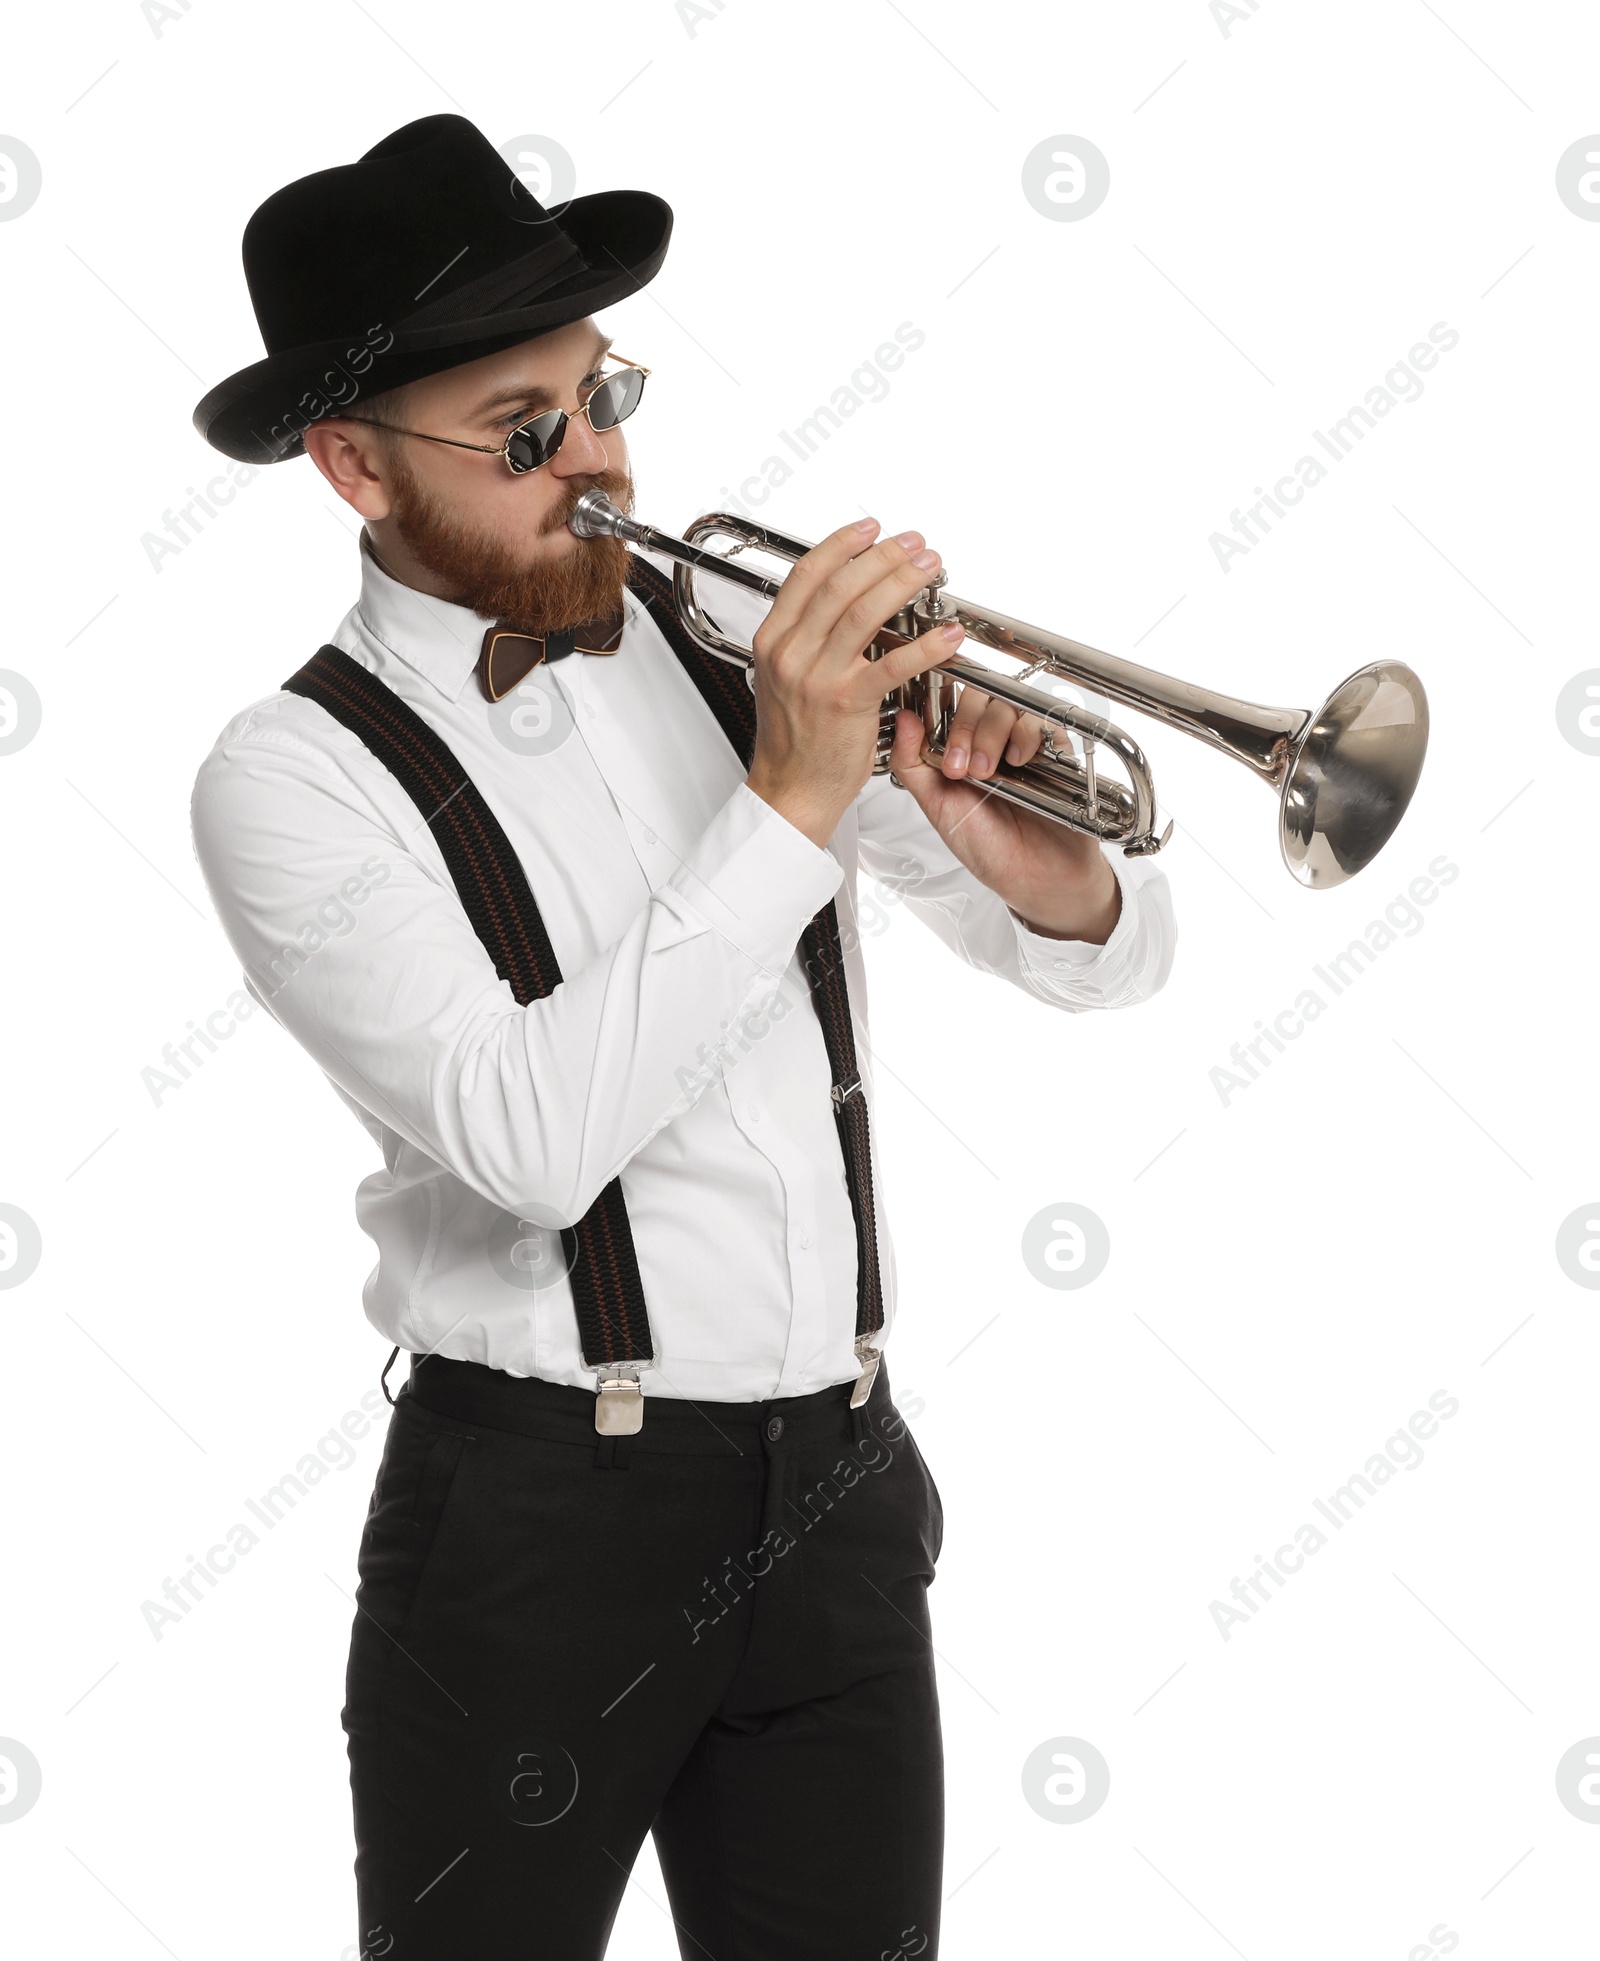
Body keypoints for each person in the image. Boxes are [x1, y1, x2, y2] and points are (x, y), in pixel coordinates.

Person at [189, 113, 1175, 1961]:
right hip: (534, 1533)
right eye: (524, 432)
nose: (598, 467)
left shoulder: (725, 633)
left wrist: (1038, 866)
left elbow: (1098, 974)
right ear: (349, 465)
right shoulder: (289, 778)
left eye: (603, 393)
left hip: (843, 1498)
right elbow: (535, 1136)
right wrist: (791, 802)